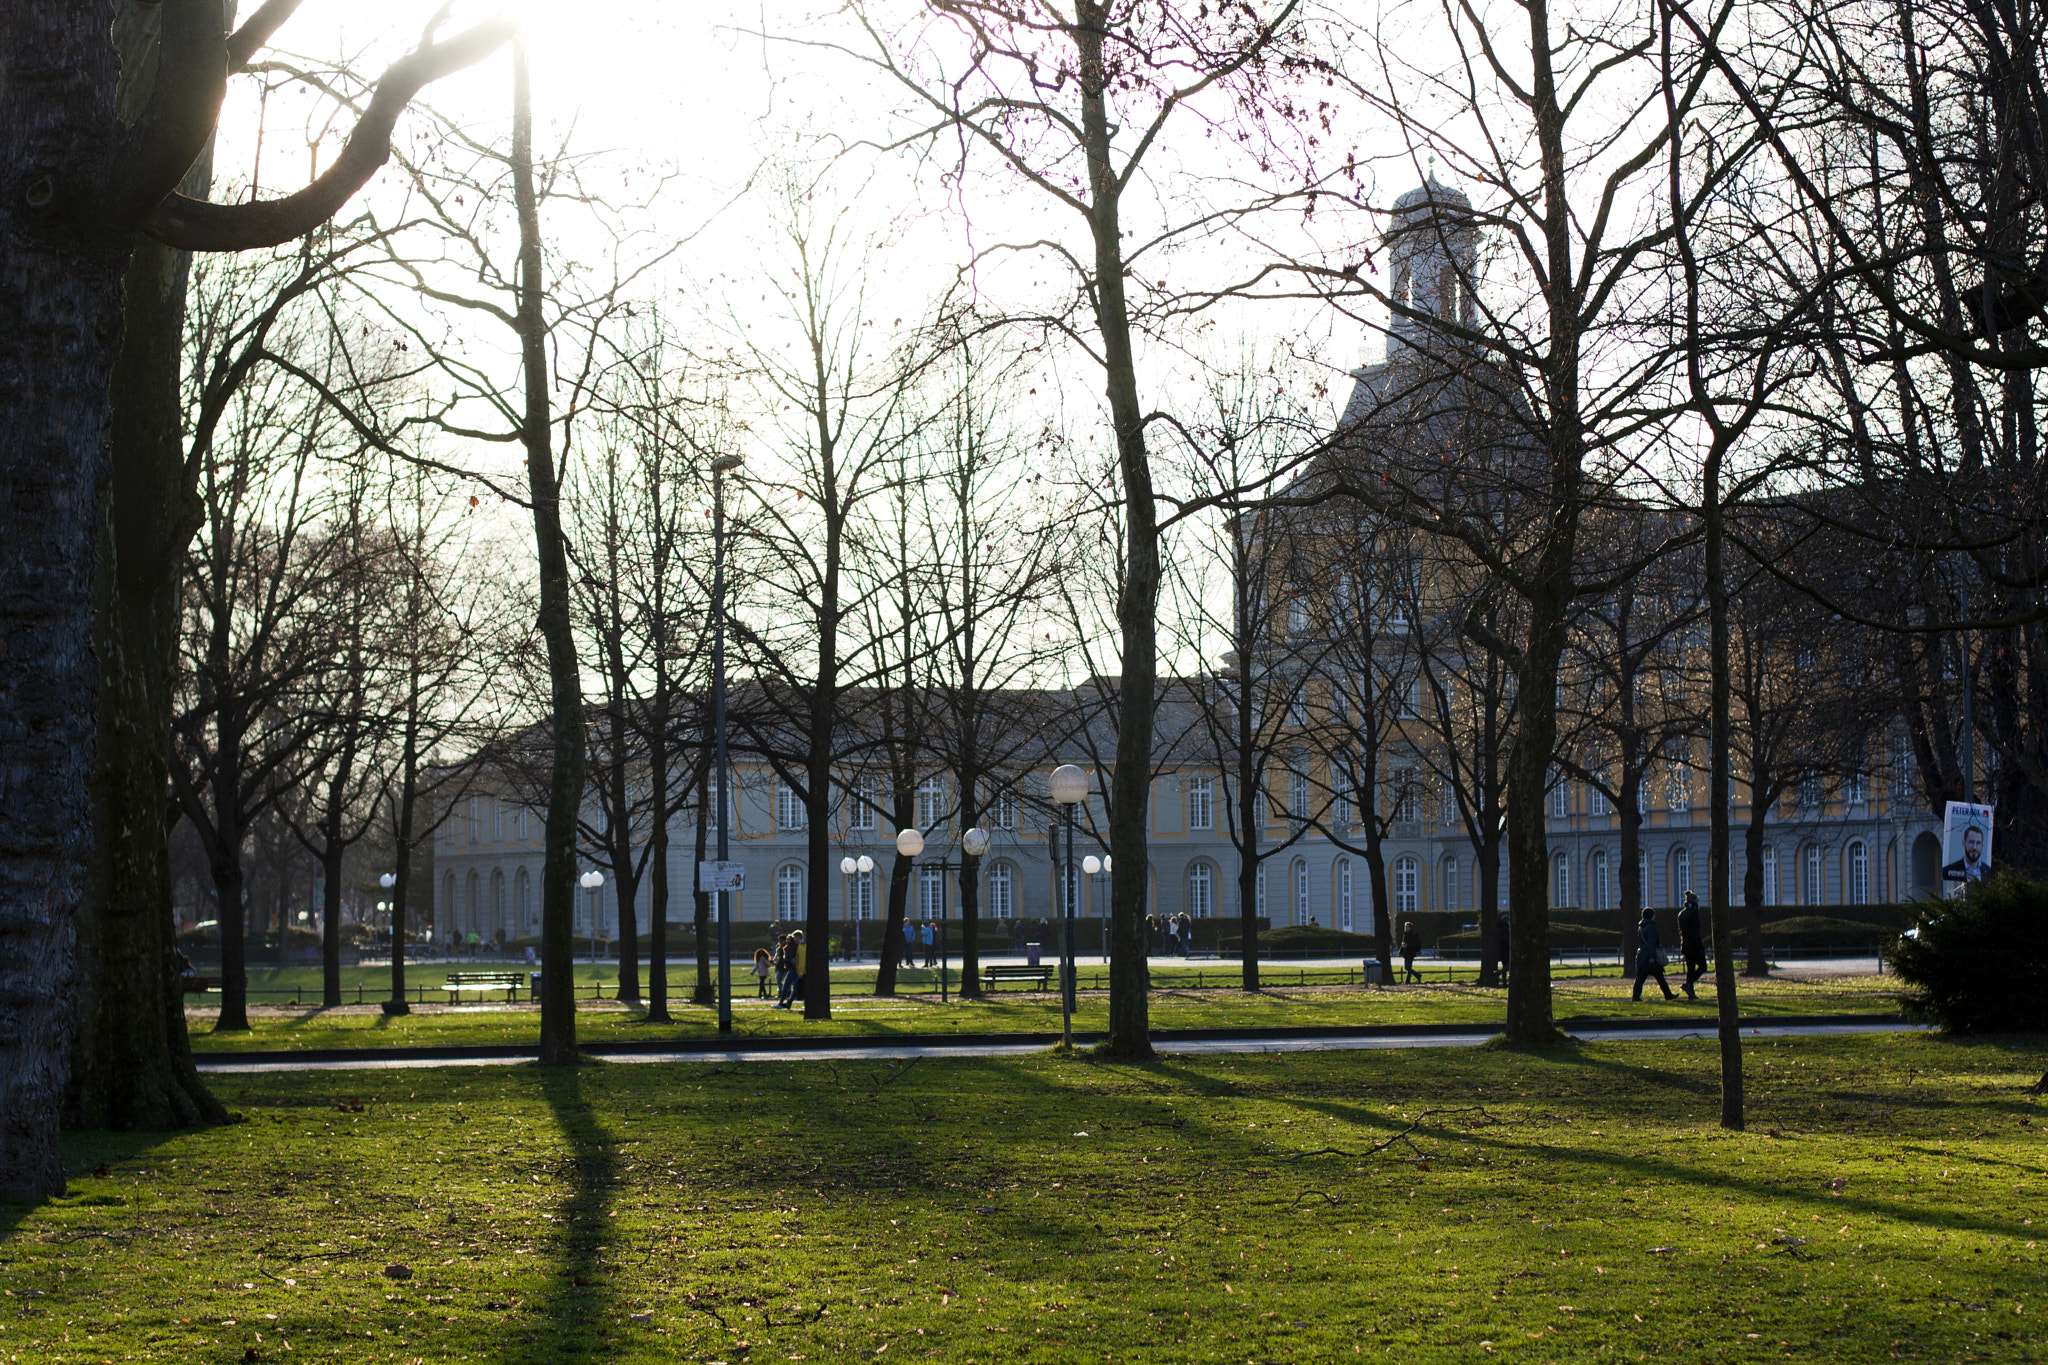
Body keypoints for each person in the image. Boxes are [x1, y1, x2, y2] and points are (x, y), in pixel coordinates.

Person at [1633, 907, 1676, 1001]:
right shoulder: (1651, 927)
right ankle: (1668, 995)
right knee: (1659, 976)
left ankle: (1635, 996)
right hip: (1649, 955)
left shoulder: (1641, 927)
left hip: (1642, 955)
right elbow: (1652, 943)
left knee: (1640, 978)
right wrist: (1652, 956)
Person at [1676, 891, 1708, 1000]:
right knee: (1703, 967)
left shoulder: (1681, 914)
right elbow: (1695, 933)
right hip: (1694, 946)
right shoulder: (1693, 914)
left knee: (1690, 969)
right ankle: (1688, 984)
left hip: (1685, 946)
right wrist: (1700, 947)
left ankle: (1691, 993)